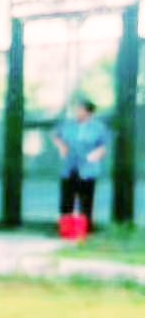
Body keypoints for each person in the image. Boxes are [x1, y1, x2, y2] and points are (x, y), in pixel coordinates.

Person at [53, 97, 109, 228]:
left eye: (80, 109)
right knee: (67, 197)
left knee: (86, 199)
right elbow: (57, 136)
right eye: (76, 109)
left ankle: (85, 227)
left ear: (89, 112)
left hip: (87, 167)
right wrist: (61, 146)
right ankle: (66, 227)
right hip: (69, 165)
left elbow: (103, 147)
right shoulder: (68, 125)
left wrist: (96, 154)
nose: (77, 112)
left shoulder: (98, 128)